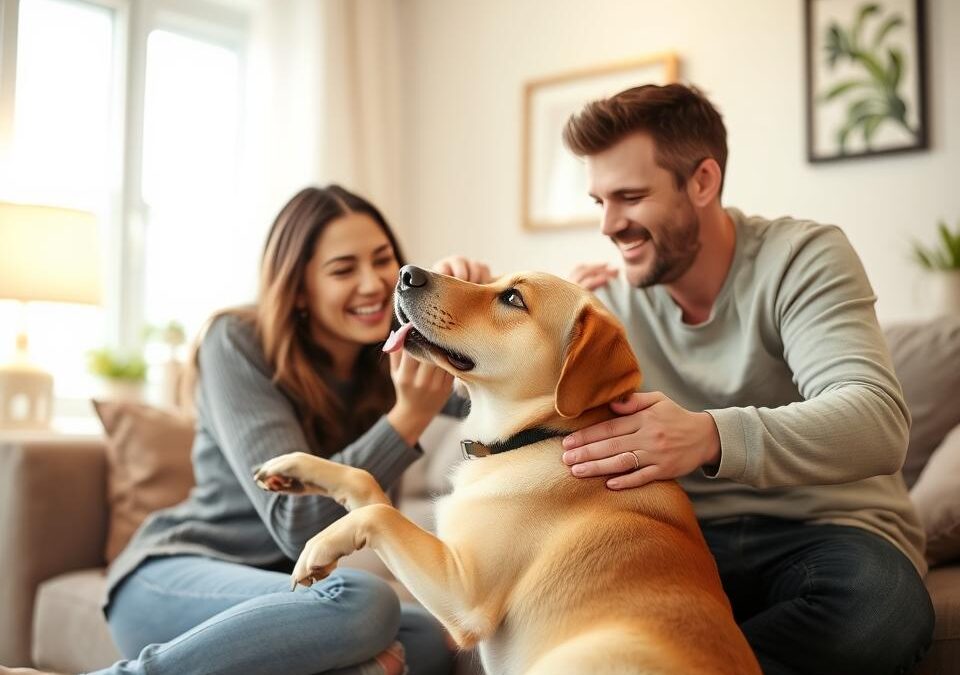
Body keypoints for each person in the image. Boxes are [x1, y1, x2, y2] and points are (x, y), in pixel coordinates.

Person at [435, 84, 935, 675]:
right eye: (600, 202)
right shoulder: (606, 305)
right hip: (680, 544)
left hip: (827, 534)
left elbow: (876, 422)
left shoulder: (803, 258)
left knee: (879, 611)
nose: (610, 226)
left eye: (630, 197)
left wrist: (708, 436)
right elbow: (509, 404)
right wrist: (445, 330)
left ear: (702, 182)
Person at [5, 185, 462, 675]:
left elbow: (515, 396)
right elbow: (296, 527)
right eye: (343, 269)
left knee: (434, 638)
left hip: (286, 601)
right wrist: (407, 419)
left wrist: (462, 312)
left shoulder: (390, 354)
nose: (373, 283)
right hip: (176, 572)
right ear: (299, 286)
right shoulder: (236, 341)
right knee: (366, 601)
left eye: (382, 260)